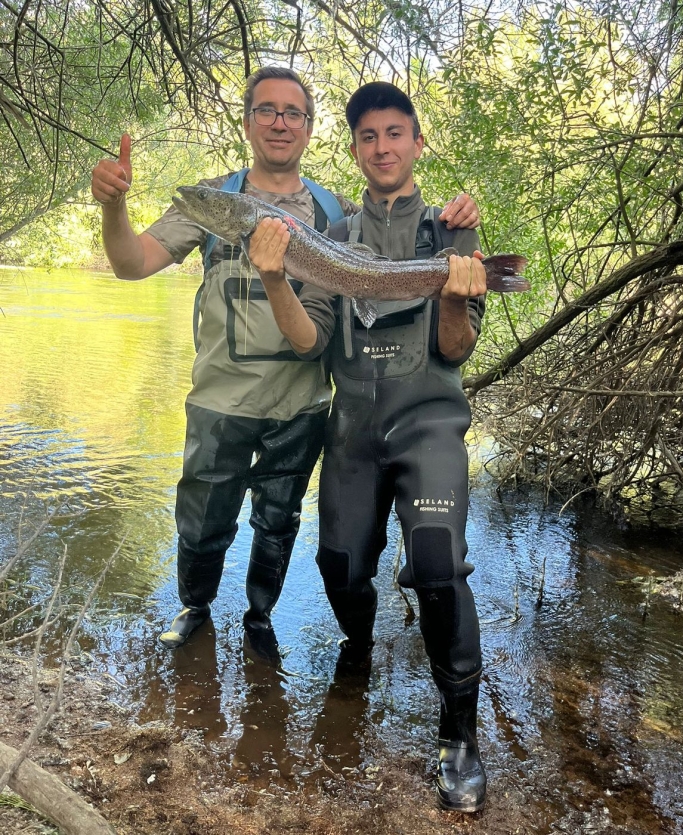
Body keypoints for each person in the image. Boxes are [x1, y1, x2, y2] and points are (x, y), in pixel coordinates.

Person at [90, 68, 481, 654]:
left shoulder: (334, 213)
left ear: (308, 128)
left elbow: (392, 234)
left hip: (301, 404)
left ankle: (259, 617)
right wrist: (113, 208)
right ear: (247, 121)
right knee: (202, 522)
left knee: (277, 526)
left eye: (292, 112)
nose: (279, 121)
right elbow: (130, 263)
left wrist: (455, 225)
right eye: (266, 110)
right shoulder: (212, 200)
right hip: (219, 397)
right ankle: (194, 605)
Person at [248, 81, 488, 813]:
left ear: (416, 142)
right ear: (353, 149)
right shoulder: (326, 234)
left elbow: (457, 346)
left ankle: (458, 733)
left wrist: (454, 290)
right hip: (352, 428)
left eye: (395, 133)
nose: (382, 147)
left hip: (429, 424)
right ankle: (358, 652)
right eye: (368, 136)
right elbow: (310, 338)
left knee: (439, 565)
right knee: (341, 565)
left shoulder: (453, 231)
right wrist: (273, 274)